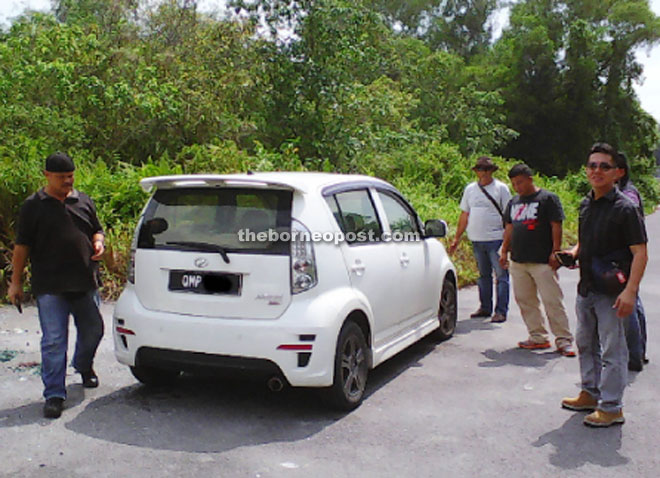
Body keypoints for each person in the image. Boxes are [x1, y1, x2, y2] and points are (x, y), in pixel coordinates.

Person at [7, 152, 106, 419]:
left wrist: (99, 242)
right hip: (50, 285)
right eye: (61, 177)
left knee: (94, 330)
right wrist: (15, 283)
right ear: (47, 176)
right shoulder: (33, 206)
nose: (67, 181)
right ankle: (54, 394)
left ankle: (83, 365)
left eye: (70, 176)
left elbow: (97, 229)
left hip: (84, 282)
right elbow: (21, 246)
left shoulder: (83, 200)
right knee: (53, 340)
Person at [561, 142, 647, 427]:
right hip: (587, 288)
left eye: (604, 166)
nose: (597, 170)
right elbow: (585, 242)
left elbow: (640, 253)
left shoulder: (625, 208)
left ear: (617, 173)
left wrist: (630, 292)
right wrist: (572, 253)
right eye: (592, 165)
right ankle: (590, 392)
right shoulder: (587, 204)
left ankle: (612, 407)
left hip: (612, 292)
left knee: (613, 350)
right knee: (585, 343)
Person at [499, 164, 575, 356]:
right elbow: (509, 228)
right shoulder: (514, 202)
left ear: (530, 179)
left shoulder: (547, 199)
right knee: (525, 300)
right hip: (518, 260)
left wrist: (555, 252)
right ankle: (537, 337)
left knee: (552, 301)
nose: (517, 187)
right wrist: (504, 251)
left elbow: (556, 225)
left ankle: (564, 339)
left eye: (520, 182)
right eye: (514, 184)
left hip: (542, 261)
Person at [449, 156, 511, 323]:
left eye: (486, 169)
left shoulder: (501, 188)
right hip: (476, 239)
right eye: (479, 169)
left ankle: (501, 311)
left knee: (501, 275)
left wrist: (508, 240)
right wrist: (457, 237)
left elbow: (509, 216)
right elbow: (465, 214)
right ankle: (485, 307)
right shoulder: (470, 189)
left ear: (491, 171)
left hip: (496, 238)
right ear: (476, 171)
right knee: (483, 275)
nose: (483, 173)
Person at [615, 152, 648, 371]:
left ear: (620, 171)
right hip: (622, 253)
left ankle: (635, 356)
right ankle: (637, 352)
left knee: (630, 304)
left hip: (627, 254)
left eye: (608, 167)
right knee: (633, 303)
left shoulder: (628, 194)